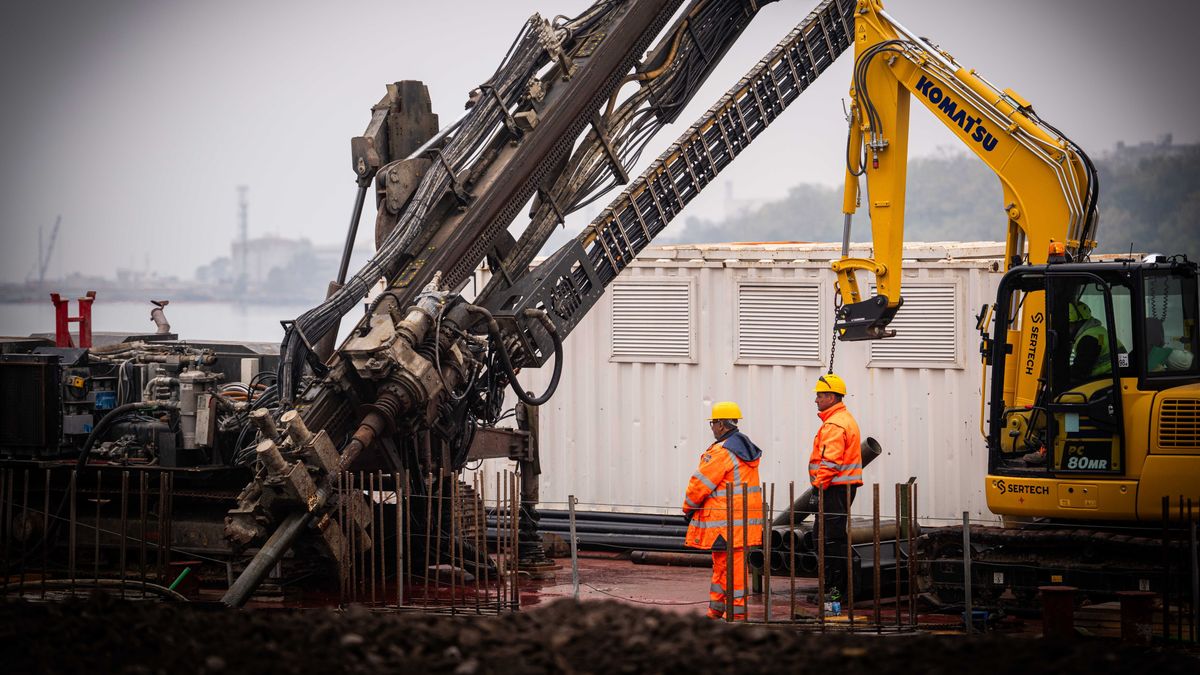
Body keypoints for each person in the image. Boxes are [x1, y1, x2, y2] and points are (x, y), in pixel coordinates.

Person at [682, 401, 763, 620]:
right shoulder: (744, 449)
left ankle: (736, 614)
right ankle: (717, 610)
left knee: (728, 569)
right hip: (741, 524)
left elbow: (699, 485)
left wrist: (688, 508)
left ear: (720, 424)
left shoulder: (722, 452)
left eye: (713, 423)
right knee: (726, 566)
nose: (712, 428)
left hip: (724, 525)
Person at [808, 373, 862, 599]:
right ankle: (836, 588)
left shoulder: (834, 424)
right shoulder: (844, 419)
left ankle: (835, 591)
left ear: (831, 397)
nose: (816, 399)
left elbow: (830, 462)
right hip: (839, 488)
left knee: (828, 541)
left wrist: (817, 487)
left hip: (833, 489)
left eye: (820, 395)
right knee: (829, 538)